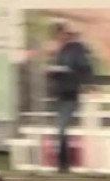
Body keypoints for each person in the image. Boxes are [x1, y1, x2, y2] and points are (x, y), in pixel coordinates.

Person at [47, 22, 95, 173]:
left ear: (65, 33)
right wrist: (53, 72)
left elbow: (85, 68)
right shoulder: (61, 50)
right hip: (60, 94)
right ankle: (62, 165)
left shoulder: (75, 49)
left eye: (59, 35)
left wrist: (71, 73)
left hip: (70, 94)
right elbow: (60, 72)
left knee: (61, 129)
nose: (58, 38)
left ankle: (63, 165)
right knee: (60, 129)